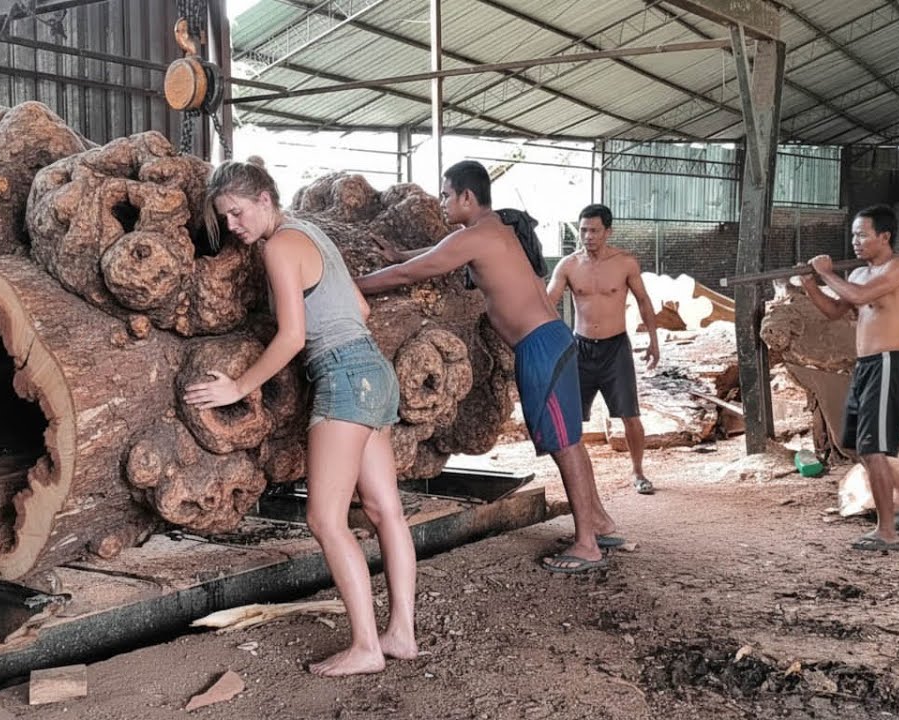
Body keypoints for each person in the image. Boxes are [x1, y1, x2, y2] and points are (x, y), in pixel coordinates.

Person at [183, 161, 416, 676]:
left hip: (343, 376)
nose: (235, 227)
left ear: (265, 199)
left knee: (324, 518)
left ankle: (365, 647)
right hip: (374, 370)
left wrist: (238, 388)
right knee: (385, 511)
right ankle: (400, 633)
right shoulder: (311, 233)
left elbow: (291, 337)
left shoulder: (280, 246)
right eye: (227, 218)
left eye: (238, 213)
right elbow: (360, 306)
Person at [355, 160, 620, 574]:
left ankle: (586, 543)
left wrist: (354, 285)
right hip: (554, 340)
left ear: (466, 196)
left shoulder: (476, 236)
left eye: (446, 195)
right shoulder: (494, 229)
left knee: (564, 446)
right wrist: (402, 253)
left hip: (540, 349)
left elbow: (410, 273)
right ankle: (599, 522)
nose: (442, 203)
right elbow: (435, 255)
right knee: (571, 441)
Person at [796, 204, 899, 551]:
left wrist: (824, 272)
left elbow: (861, 297)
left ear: (884, 236)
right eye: (853, 234)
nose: (855, 241)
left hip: (887, 363)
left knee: (874, 448)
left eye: (862, 234)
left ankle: (887, 532)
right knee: (857, 444)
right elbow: (836, 311)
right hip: (865, 366)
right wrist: (810, 284)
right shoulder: (856, 274)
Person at [545, 204, 660, 495]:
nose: (588, 236)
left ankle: (638, 472)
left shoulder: (625, 263)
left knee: (630, 416)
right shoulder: (568, 265)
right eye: (583, 230)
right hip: (580, 349)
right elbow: (548, 303)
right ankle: (577, 478)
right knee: (572, 419)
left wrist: (654, 340)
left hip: (615, 348)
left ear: (608, 231)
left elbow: (644, 301)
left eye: (594, 230)